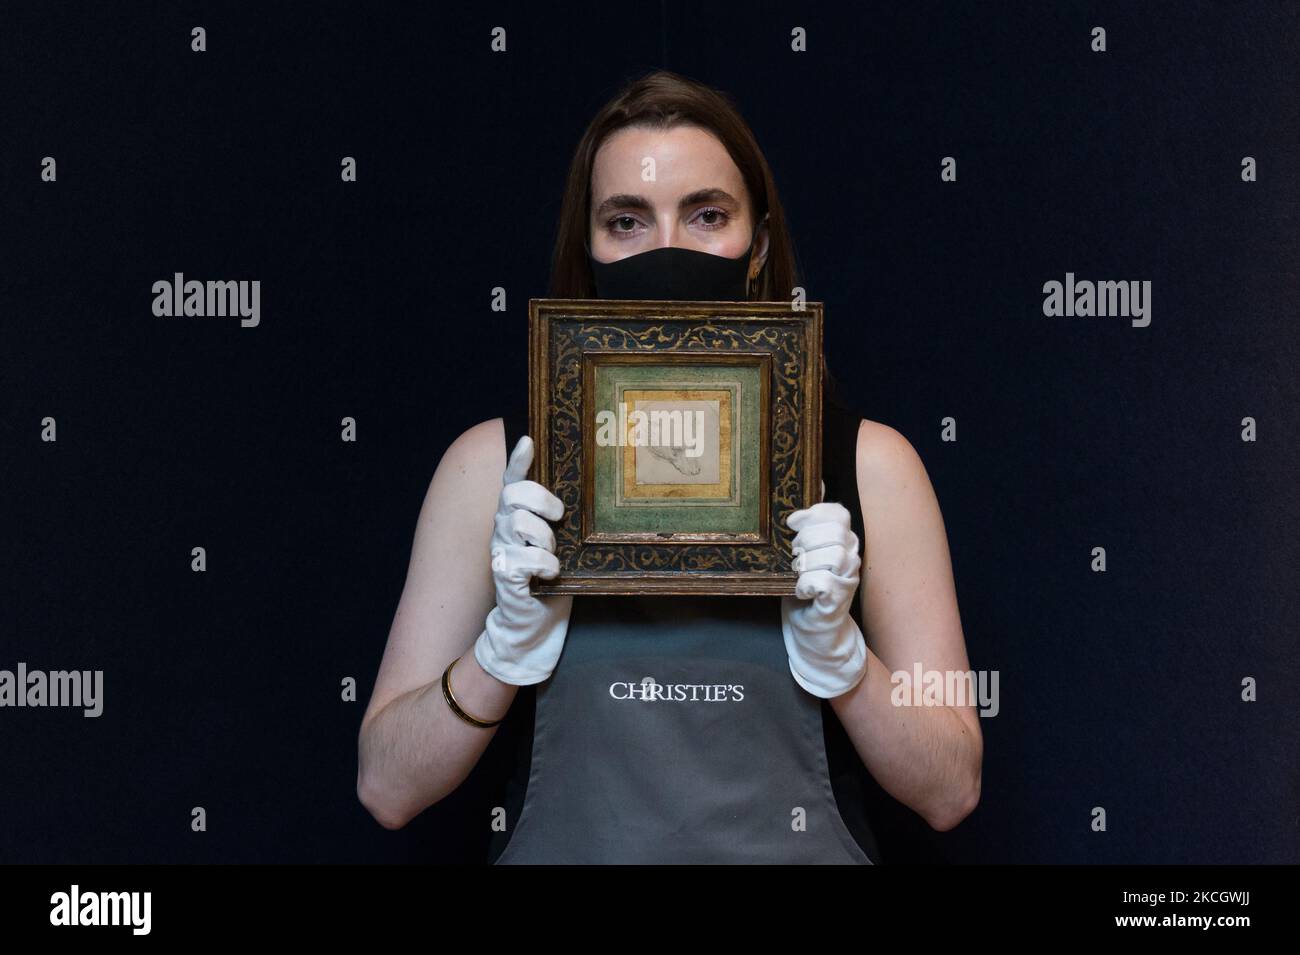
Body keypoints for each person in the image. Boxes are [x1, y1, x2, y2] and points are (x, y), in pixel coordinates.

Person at [356, 70, 982, 863]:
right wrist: (498, 654)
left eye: (706, 215)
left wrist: (847, 664)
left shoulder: (873, 466)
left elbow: (953, 784)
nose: (667, 250)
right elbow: (386, 784)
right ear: (588, 247)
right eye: (627, 220)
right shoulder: (492, 469)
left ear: (757, 246)